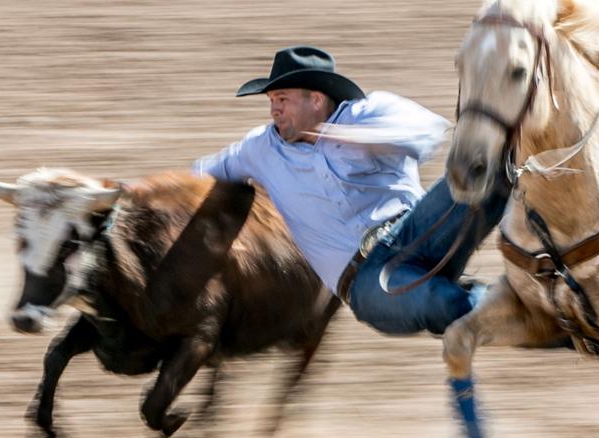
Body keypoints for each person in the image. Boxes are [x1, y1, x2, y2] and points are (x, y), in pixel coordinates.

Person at [193, 46, 509, 336]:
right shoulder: (259, 148)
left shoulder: (367, 111)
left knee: (493, 168)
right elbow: (199, 174)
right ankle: (516, 310)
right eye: (271, 101)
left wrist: (353, 137)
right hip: (363, 281)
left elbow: (427, 132)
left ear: (315, 99)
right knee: (442, 302)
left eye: (282, 99)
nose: (273, 110)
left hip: (417, 230)